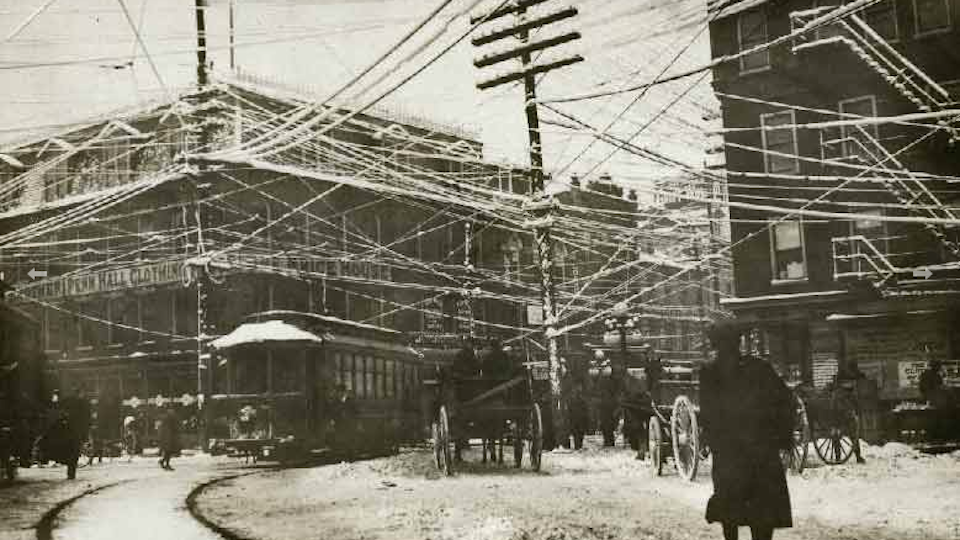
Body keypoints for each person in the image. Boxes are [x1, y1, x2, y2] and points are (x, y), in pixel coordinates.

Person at [700, 323, 793, 540]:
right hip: (761, 453)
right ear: (738, 343)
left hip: (729, 456)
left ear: (715, 345)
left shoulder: (709, 372)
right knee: (762, 511)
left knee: (729, 509)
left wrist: (715, 442)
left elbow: (708, 414)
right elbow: (785, 401)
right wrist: (780, 437)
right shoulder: (760, 368)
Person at [833, 362, 867, 464]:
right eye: (848, 382)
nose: (851, 384)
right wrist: (849, 412)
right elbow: (838, 406)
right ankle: (838, 457)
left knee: (854, 435)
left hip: (849, 418)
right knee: (836, 435)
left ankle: (858, 455)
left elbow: (856, 404)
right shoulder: (838, 394)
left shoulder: (850, 394)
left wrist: (856, 412)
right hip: (837, 419)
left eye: (851, 382)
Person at [157, 405, 180, 471]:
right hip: (168, 437)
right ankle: (166, 464)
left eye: (172, 410)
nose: (172, 411)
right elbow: (168, 428)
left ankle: (163, 461)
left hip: (169, 437)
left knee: (168, 452)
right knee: (168, 451)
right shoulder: (168, 418)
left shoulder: (169, 417)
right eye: (171, 410)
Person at [566, 386, 589, 450]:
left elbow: (585, 410)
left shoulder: (581, 400)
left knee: (578, 433)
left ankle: (578, 445)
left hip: (579, 418)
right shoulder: (576, 400)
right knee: (577, 433)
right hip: (576, 418)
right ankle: (578, 445)